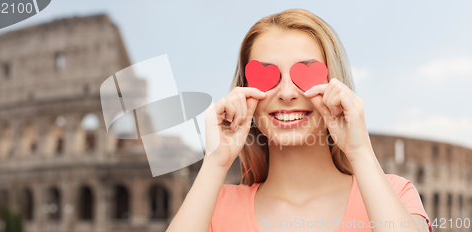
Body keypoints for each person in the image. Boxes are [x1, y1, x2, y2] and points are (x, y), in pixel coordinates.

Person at [166, 8, 431, 232]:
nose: (287, 93)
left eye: (305, 74)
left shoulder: (395, 195)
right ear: (245, 93)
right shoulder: (214, 207)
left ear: (335, 86)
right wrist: (215, 161)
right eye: (266, 77)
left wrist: (360, 152)